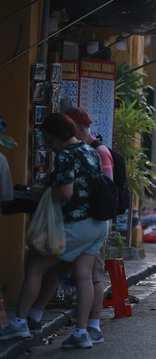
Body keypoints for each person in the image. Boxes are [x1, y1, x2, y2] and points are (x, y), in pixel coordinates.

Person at [0, 113, 109, 349]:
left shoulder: (66, 155)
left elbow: (65, 193)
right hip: (98, 224)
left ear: (54, 136)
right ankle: (82, 332)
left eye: (47, 139)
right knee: (83, 276)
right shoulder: (88, 149)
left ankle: (19, 322)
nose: (48, 145)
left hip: (78, 224)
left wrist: (44, 194)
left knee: (36, 266)